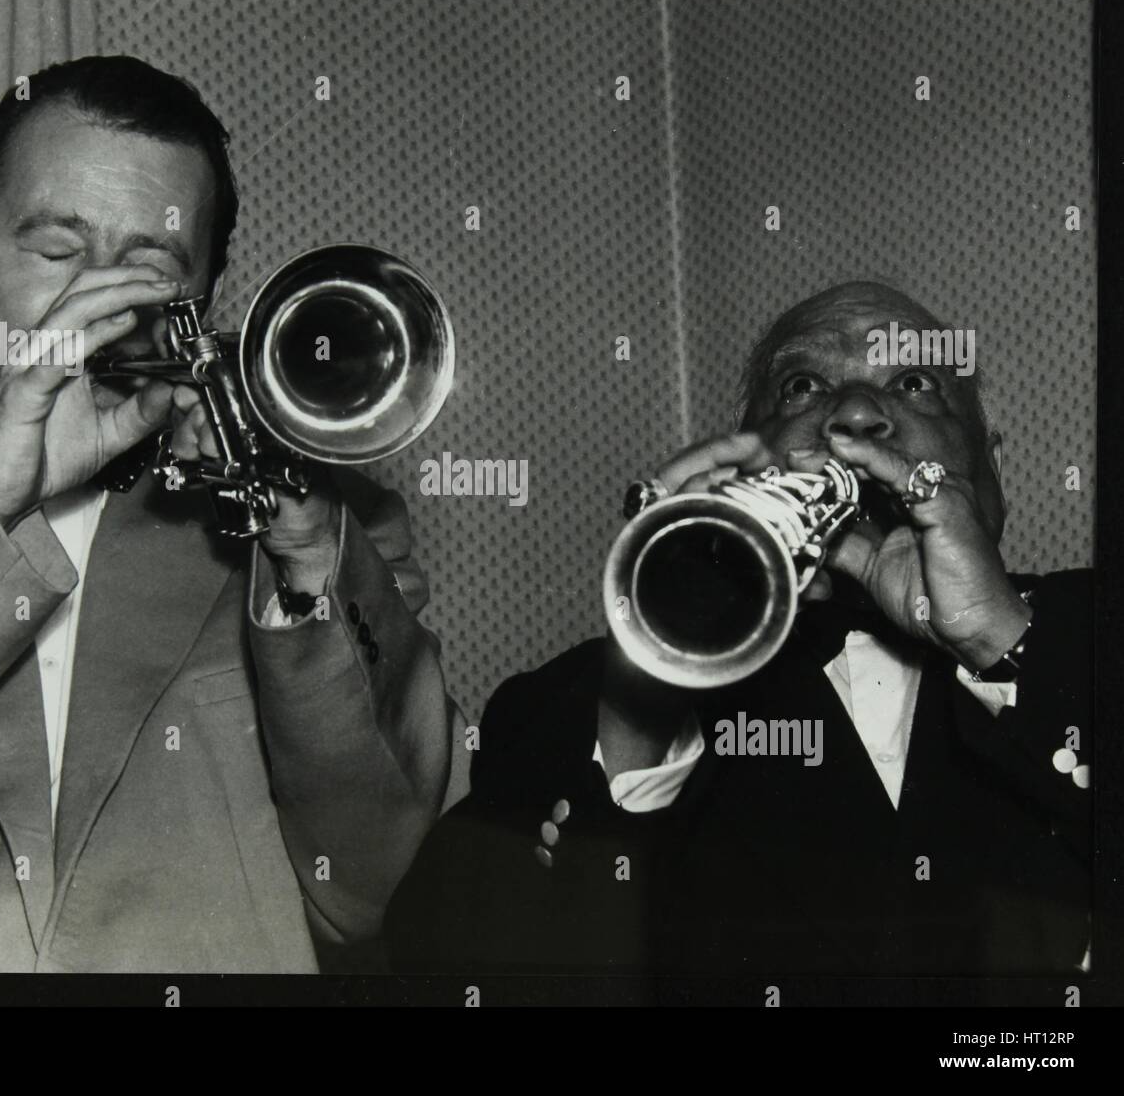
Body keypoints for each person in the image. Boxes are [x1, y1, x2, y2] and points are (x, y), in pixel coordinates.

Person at [0, 55, 459, 972]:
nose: (93, 307)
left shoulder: (324, 535)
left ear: (201, 304)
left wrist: (300, 553)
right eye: (56, 251)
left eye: (147, 267)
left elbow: (371, 893)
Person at [385, 282, 1091, 976]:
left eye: (912, 381)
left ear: (993, 468)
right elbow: (444, 966)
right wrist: (653, 687)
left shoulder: (1096, 636)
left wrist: (998, 641)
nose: (851, 415)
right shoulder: (589, 701)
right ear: (746, 457)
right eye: (803, 387)